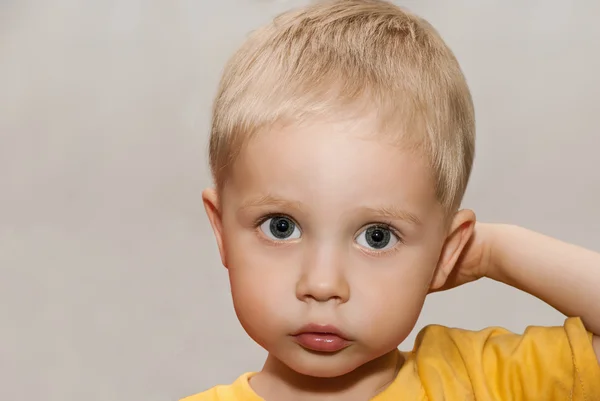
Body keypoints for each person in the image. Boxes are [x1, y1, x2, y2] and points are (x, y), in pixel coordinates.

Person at [182, 0, 600, 399]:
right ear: (222, 230)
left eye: (377, 236)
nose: (323, 284)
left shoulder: (479, 382)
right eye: (281, 226)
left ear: (445, 250)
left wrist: (494, 251)